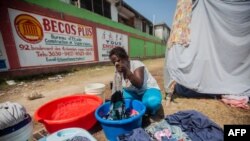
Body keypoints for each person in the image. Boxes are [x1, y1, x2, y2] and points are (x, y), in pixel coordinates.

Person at [109, 47, 162, 115]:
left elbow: (139, 84)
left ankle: (149, 108)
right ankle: (140, 105)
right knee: (122, 102)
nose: (117, 64)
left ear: (127, 58)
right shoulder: (118, 71)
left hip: (147, 90)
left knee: (152, 102)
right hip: (133, 93)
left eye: (119, 60)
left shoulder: (137, 64)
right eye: (114, 63)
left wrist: (126, 70)